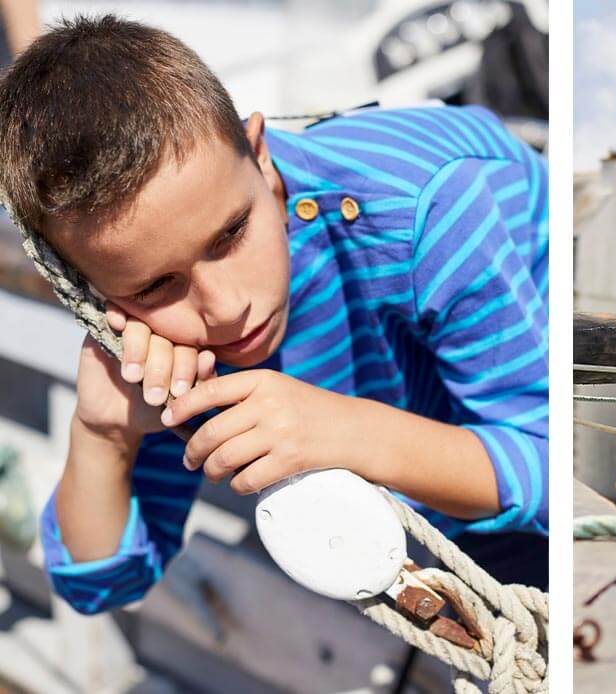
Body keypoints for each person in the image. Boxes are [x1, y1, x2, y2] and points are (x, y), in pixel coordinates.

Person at [0, 15, 549, 614]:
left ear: (259, 156)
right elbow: (98, 586)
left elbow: (551, 474)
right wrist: (103, 435)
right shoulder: (158, 337)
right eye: (159, 285)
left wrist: (343, 432)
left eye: (232, 233)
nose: (228, 307)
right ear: (90, 289)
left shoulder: (431, 204)